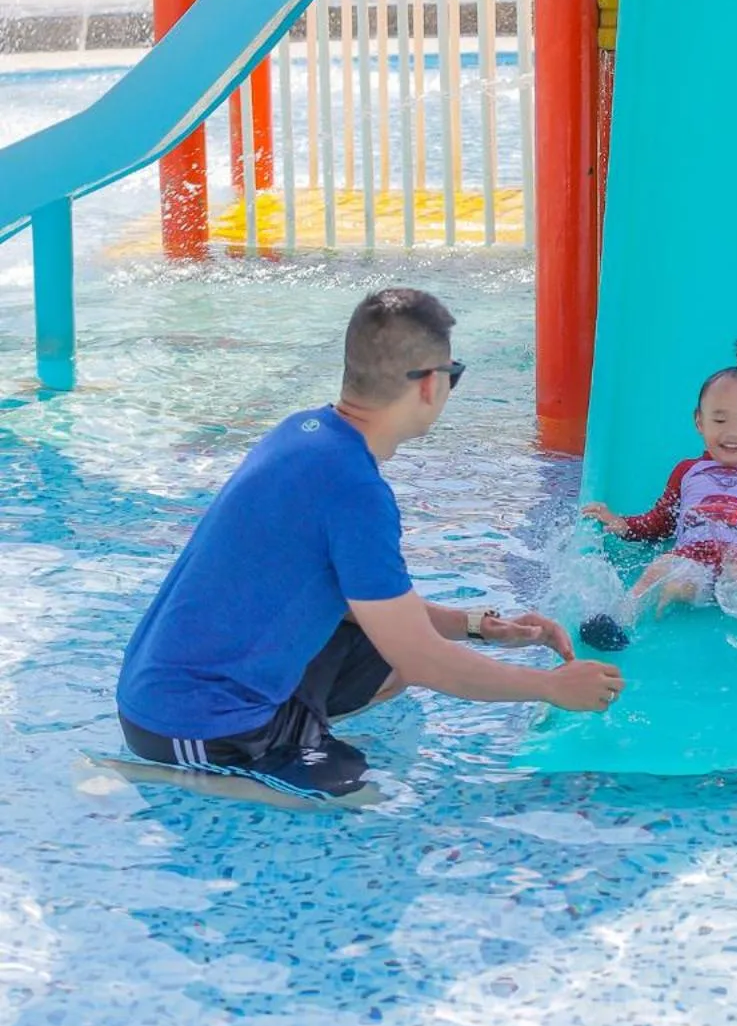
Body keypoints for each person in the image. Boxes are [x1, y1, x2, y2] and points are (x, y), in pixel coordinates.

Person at [116, 287, 624, 798]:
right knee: (363, 799)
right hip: (193, 724)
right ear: (430, 385)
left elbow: (369, 613)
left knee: (389, 665)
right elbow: (426, 660)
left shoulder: (302, 433)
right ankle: (180, 777)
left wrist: (479, 628)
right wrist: (550, 688)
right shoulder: (355, 491)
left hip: (170, 685)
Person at [577, 339, 737, 657]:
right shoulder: (688, 470)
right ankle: (618, 620)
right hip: (692, 555)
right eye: (719, 421)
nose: (732, 433)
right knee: (664, 569)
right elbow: (662, 519)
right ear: (699, 422)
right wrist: (623, 524)